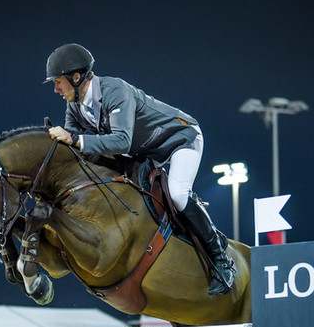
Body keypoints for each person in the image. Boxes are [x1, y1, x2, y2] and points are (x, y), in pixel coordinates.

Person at [45, 43, 235, 295]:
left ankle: (220, 257)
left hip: (179, 138)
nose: (56, 89)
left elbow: (118, 141)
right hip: (144, 151)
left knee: (178, 193)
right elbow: (76, 145)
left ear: (76, 77)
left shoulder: (115, 90)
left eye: (58, 82)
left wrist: (74, 139)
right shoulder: (75, 104)